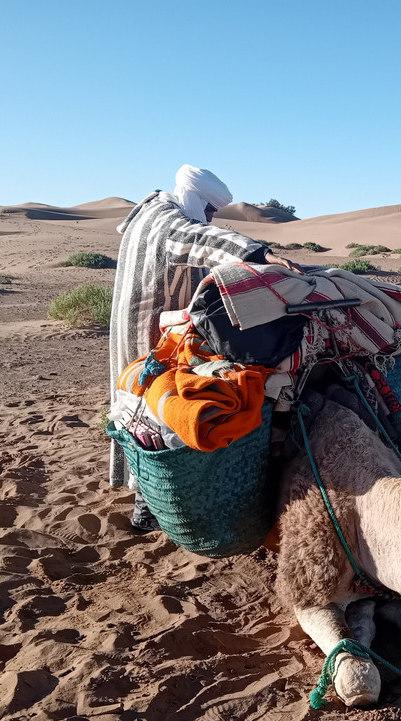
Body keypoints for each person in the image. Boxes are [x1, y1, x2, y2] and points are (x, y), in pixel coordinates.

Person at [109, 164, 302, 531]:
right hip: (147, 327)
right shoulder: (166, 220)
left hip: (154, 324)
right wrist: (263, 256)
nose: (211, 217)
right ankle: (150, 504)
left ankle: (154, 496)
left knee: (143, 404)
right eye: (210, 209)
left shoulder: (153, 212)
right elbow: (201, 239)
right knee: (150, 409)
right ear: (196, 199)